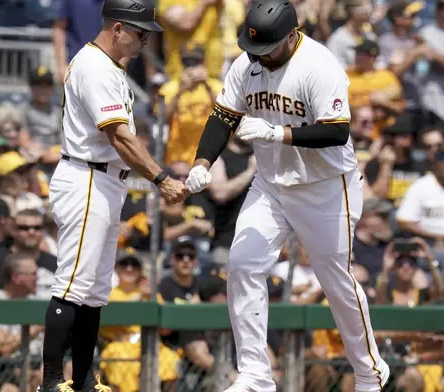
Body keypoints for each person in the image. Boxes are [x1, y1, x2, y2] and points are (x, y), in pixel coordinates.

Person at [183, 1, 390, 391]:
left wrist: (279, 134)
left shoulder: (319, 65)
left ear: (292, 36)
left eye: (267, 47)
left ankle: (369, 371)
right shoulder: (247, 63)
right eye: (252, 46)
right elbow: (224, 115)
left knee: (335, 282)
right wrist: (202, 163)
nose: (257, 54)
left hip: (326, 186)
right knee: (242, 265)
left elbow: (338, 131)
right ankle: (256, 375)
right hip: (272, 183)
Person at [39, 0, 187, 391]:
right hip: (87, 177)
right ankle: (52, 382)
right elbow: (120, 137)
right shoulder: (94, 66)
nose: (144, 41)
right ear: (118, 28)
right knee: (71, 286)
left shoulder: (109, 67)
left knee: (92, 292)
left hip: (105, 180)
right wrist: (161, 178)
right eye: (140, 32)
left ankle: (84, 379)